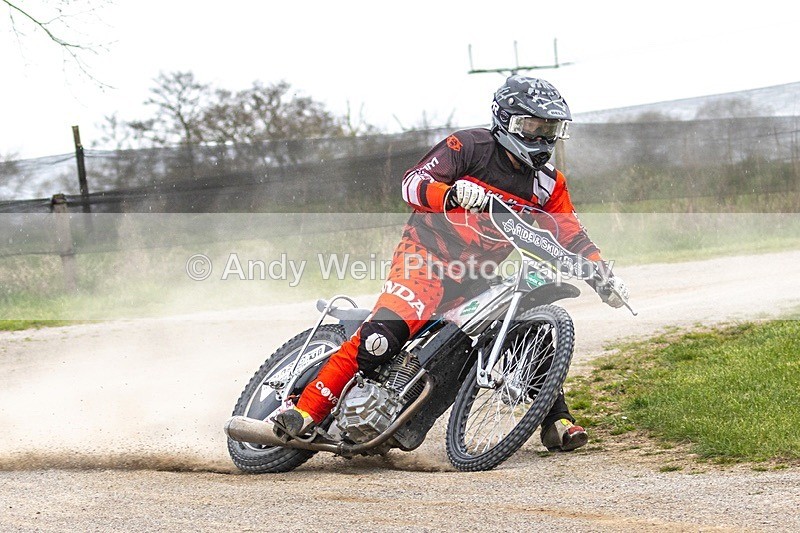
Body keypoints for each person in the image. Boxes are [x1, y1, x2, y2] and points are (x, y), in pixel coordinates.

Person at [274, 75, 629, 452]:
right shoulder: (468, 147)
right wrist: (452, 192)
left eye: (550, 130)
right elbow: (411, 185)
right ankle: (304, 412)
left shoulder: (547, 184)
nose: (541, 140)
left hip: (478, 273)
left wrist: (602, 272)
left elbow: (570, 234)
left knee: (523, 331)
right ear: (505, 121)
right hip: (425, 256)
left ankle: (555, 418)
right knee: (384, 336)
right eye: (532, 127)